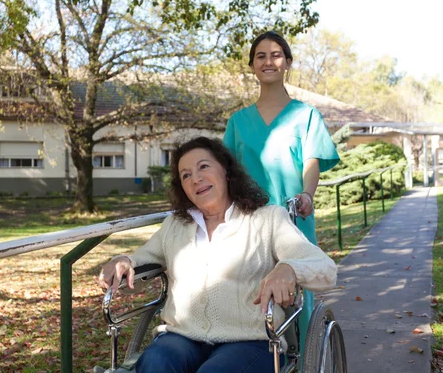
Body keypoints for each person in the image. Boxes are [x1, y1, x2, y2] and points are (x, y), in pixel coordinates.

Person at [98, 137, 337, 373]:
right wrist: (123, 262)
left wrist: (289, 268)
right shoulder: (175, 226)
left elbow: (324, 268)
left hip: (250, 340)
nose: (196, 179)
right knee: (154, 363)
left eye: (203, 166)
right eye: (186, 175)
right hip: (182, 337)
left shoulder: (268, 219)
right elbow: (141, 263)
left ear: (226, 171)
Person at [222, 31, 340, 361]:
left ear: (287, 63)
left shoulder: (306, 115)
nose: (268, 61)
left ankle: (304, 362)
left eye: (276, 55)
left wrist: (306, 194)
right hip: (250, 225)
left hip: (293, 219)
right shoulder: (238, 122)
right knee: (251, 298)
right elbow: (225, 174)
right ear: (252, 66)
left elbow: (312, 161)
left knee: (296, 301)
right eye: (260, 55)